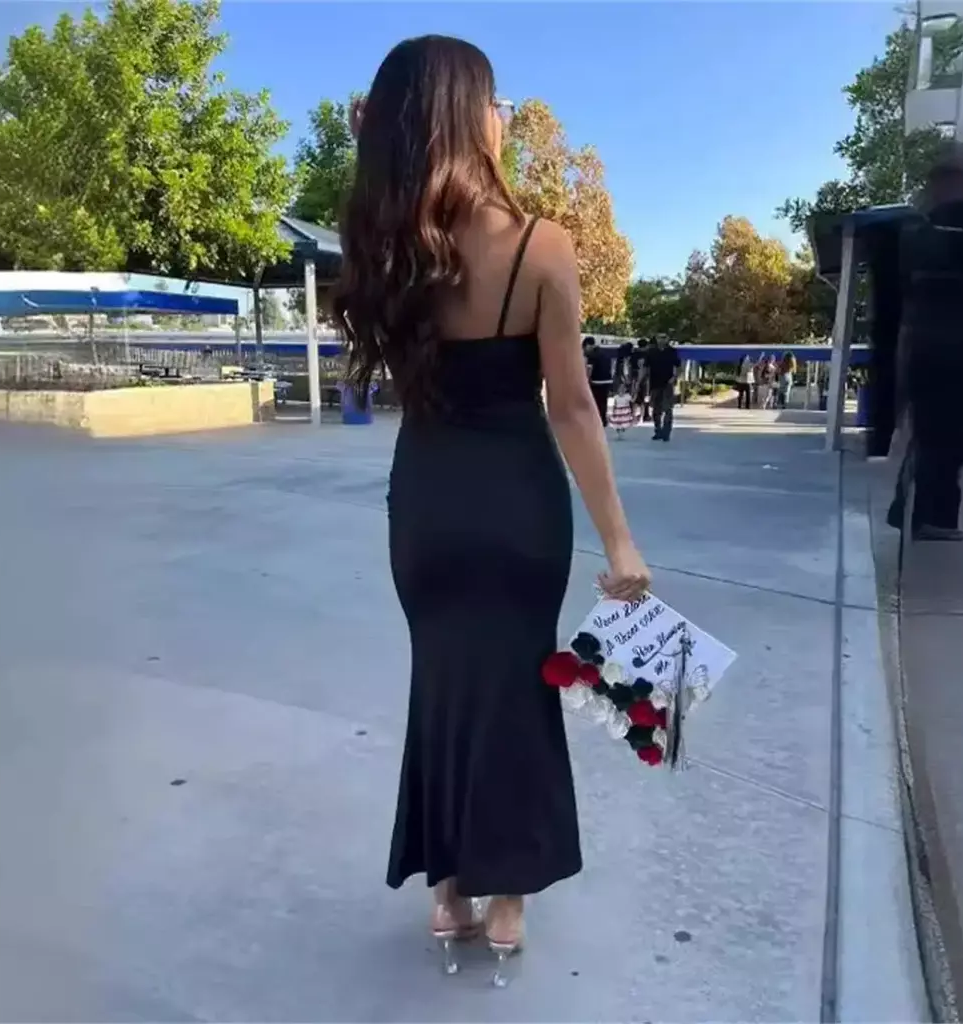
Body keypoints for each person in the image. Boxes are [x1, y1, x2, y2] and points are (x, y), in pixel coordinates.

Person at [331, 35, 651, 981]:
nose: (505, 115)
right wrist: (620, 543)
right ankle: (508, 902)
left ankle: (448, 894)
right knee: (518, 692)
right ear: (468, 117)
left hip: (427, 507)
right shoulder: (541, 246)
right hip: (518, 507)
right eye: (496, 100)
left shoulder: (383, 248)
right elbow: (574, 407)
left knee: (441, 686)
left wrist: (372, 141)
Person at [887, 141, 963, 540]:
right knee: (952, 436)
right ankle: (933, 517)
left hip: (925, 342)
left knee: (930, 431)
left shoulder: (916, 225)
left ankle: (914, 509)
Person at [643, 335, 681, 441]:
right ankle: (658, 430)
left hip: (667, 384)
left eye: (664, 337)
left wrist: (674, 378)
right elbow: (646, 367)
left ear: (667, 339)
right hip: (654, 383)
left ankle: (666, 432)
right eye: (659, 337)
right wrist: (642, 380)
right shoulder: (651, 352)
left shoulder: (672, 351)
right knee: (656, 409)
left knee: (668, 409)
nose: (662, 339)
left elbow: (678, 366)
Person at [583, 335, 613, 426]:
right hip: (607, 380)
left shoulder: (592, 355)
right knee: (603, 401)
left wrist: (586, 381)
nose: (584, 350)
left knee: (596, 401)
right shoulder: (604, 353)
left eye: (584, 348)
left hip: (597, 381)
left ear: (588, 345)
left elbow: (589, 369)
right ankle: (603, 419)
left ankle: (596, 420)